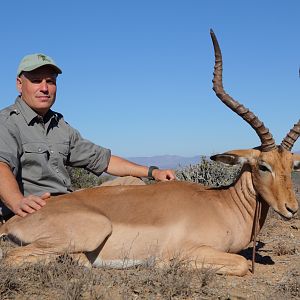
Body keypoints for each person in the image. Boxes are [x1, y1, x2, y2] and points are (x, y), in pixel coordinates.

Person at [0, 53, 175, 220]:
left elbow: (102, 160)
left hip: (65, 204)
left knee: (133, 183)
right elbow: (1, 166)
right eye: (36, 81)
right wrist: (17, 201)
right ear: (19, 84)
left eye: (50, 81)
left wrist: (153, 172)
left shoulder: (60, 126)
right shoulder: (7, 122)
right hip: (34, 211)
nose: (44, 88)